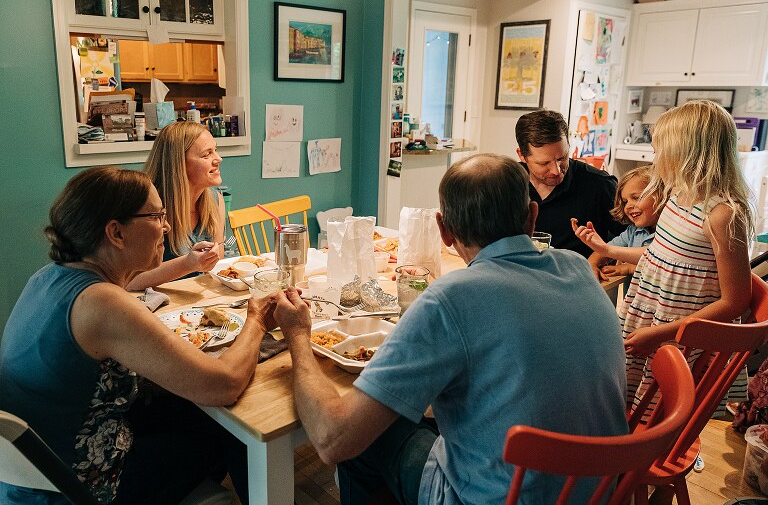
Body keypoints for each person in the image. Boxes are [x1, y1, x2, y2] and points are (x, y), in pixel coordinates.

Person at [272, 153, 628, 504]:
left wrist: (298, 335)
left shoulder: (452, 298)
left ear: (443, 230)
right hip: (595, 489)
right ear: (532, 216)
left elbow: (332, 440)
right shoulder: (576, 267)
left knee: (365, 441)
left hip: (498, 497)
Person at [0, 167, 278, 504]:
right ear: (115, 232)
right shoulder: (102, 303)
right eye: (157, 215)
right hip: (78, 488)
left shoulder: (48, 277)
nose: (167, 226)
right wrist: (258, 318)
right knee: (233, 429)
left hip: (36, 472)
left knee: (190, 410)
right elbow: (223, 385)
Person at [620, 100, 753, 444]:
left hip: (680, 338)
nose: (655, 157)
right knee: (634, 409)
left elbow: (736, 301)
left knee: (660, 424)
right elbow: (662, 255)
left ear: (689, 153)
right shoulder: (679, 195)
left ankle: (651, 481)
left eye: (660, 149)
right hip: (651, 321)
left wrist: (666, 333)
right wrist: (609, 252)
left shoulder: (723, 214)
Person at [127, 121, 226, 290]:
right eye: (206, 155)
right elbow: (129, 281)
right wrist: (187, 264)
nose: (218, 159)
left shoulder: (216, 200)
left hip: (197, 300)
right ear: (179, 163)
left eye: (215, 150)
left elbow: (217, 264)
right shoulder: (146, 207)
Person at [515, 109, 624, 257]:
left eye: (562, 158)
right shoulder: (507, 184)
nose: (556, 170)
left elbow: (632, 238)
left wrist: (598, 259)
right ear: (522, 155)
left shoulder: (600, 185)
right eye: (544, 163)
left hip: (578, 275)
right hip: (519, 273)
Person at [571, 165, 664, 282]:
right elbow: (605, 251)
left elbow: (659, 262)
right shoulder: (632, 231)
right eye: (625, 202)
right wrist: (592, 265)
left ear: (660, 196)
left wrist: (629, 269)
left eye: (636, 197)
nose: (628, 206)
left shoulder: (668, 233)